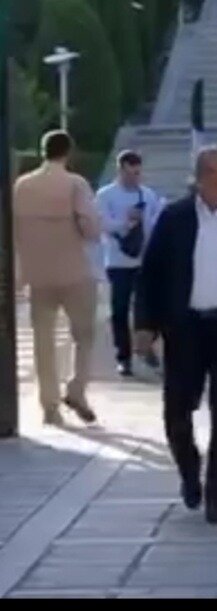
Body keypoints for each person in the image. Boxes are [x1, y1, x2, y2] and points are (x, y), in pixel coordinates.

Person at [134, 145, 217, 525]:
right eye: (210, 171)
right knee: (177, 412)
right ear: (197, 177)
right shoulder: (174, 219)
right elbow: (150, 275)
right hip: (185, 327)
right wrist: (145, 326)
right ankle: (189, 472)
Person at [13, 130, 101, 426]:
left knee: (43, 341)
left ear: (42, 151)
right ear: (69, 152)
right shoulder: (75, 184)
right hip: (74, 270)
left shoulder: (22, 186)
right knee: (84, 335)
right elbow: (90, 228)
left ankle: (49, 405)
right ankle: (76, 389)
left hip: (38, 273)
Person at [96, 150, 164, 377]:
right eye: (130, 173)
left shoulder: (147, 194)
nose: (134, 178)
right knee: (120, 310)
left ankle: (146, 344)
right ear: (120, 170)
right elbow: (102, 223)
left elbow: (154, 224)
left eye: (137, 173)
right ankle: (123, 357)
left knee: (150, 308)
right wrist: (126, 222)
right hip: (118, 261)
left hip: (144, 260)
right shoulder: (106, 195)